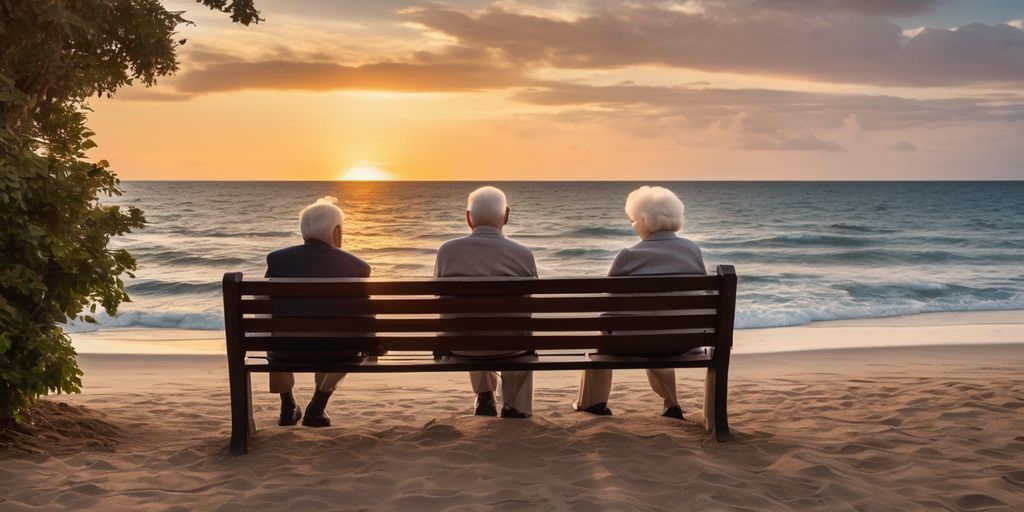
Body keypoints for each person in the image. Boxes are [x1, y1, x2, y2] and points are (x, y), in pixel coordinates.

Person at [574, 186, 706, 420]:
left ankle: (593, 403)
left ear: (643, 222)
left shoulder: (627, 256)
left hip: (636, 343)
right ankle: (671, 403)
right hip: (684, 342)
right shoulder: (693, 251)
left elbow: (608, 311)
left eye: (633, 220)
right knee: (660, 330)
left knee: (605, 340)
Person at [265, 196, 371, 428]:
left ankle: (287, 404)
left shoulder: (277, 260)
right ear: (337, 232)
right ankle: (318, 405)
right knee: (342, 340)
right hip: (336, 353)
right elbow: (363, 319)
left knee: (271, 332)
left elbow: (266, 308)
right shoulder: (357, 266)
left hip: (286, 353)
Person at [434, 186, 538, 418]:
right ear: (506, 215)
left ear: (469, 217)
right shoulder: (524, 254)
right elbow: (529, 303)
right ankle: (515, 406)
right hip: (513, 347)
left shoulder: (447, 251)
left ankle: (484, 397)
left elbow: (442, 301)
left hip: (462, 346)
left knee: (468, 324)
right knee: (518, 327)